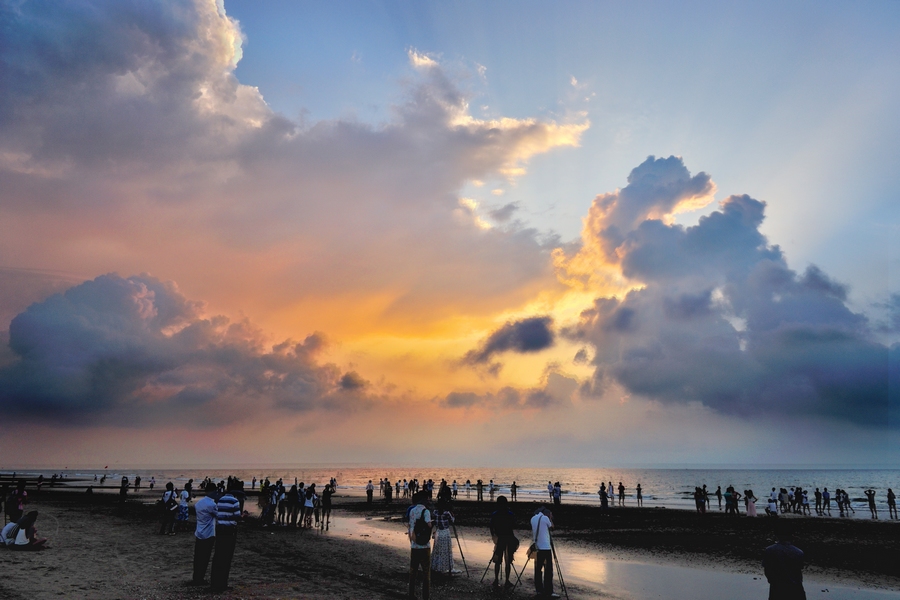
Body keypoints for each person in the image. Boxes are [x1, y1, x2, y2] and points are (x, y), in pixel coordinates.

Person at [210, 479, 242, 593]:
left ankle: (214, 582)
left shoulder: (220, 500)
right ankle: (222, 583)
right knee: (227, 558)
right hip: (229, 531)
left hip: (220, 530)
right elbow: (237, 516)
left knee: (218, 556)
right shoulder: (235, 501)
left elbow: (218, 514)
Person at [763, 521, 806, 600]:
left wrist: (772, 581)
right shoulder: (799, 552)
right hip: (795, 588)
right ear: (792, 535)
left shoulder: (769, 550)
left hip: (776, 589)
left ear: (776, 535)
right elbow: (799, 570)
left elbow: (767, 570)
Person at [408, 491, 432, 600]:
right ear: (424, 499)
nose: (429, 500)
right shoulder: (426, 512)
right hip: (424, 546)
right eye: (427, 498)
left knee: (413, 571)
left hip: (414, 545)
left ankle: (411, 594)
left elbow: (410, 527)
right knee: (426, 572)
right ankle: (425, 596)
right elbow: (428, 525)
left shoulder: (412, 511)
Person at [489, 496, 517, 589]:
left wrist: (494, 536)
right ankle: (507, 581)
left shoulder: (495, 514)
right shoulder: (510, 514)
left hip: (500, 538)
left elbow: (491, 526)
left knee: (497, 560)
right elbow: (514, 525)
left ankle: (496, 580)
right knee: (508, 561)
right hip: (509, 538)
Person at [531, 506, 558, 598]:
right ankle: (549, 591)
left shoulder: (533, 519)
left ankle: (539, 590)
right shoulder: (546, 518)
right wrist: (550, 518)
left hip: (537, 548)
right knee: (548, 570)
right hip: (545, 548)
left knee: (538, 570)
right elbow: (552, 527)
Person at [191, 492, 217, 585]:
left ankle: (196, 577)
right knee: (205, 557)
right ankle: (200, 578)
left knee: (198, 556)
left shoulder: (199, 503)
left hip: (199, 531)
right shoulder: (212, 504)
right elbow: (217, 514)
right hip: (208, 533)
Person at [431, 499, 455, 575]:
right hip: (445, 532)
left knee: (437, 550)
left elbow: (434, 521)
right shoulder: (446, 513)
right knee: (446, 550)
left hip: (438, 532)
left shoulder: (435, 512)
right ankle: (447, 567)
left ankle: (437, 566)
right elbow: (452, 521)